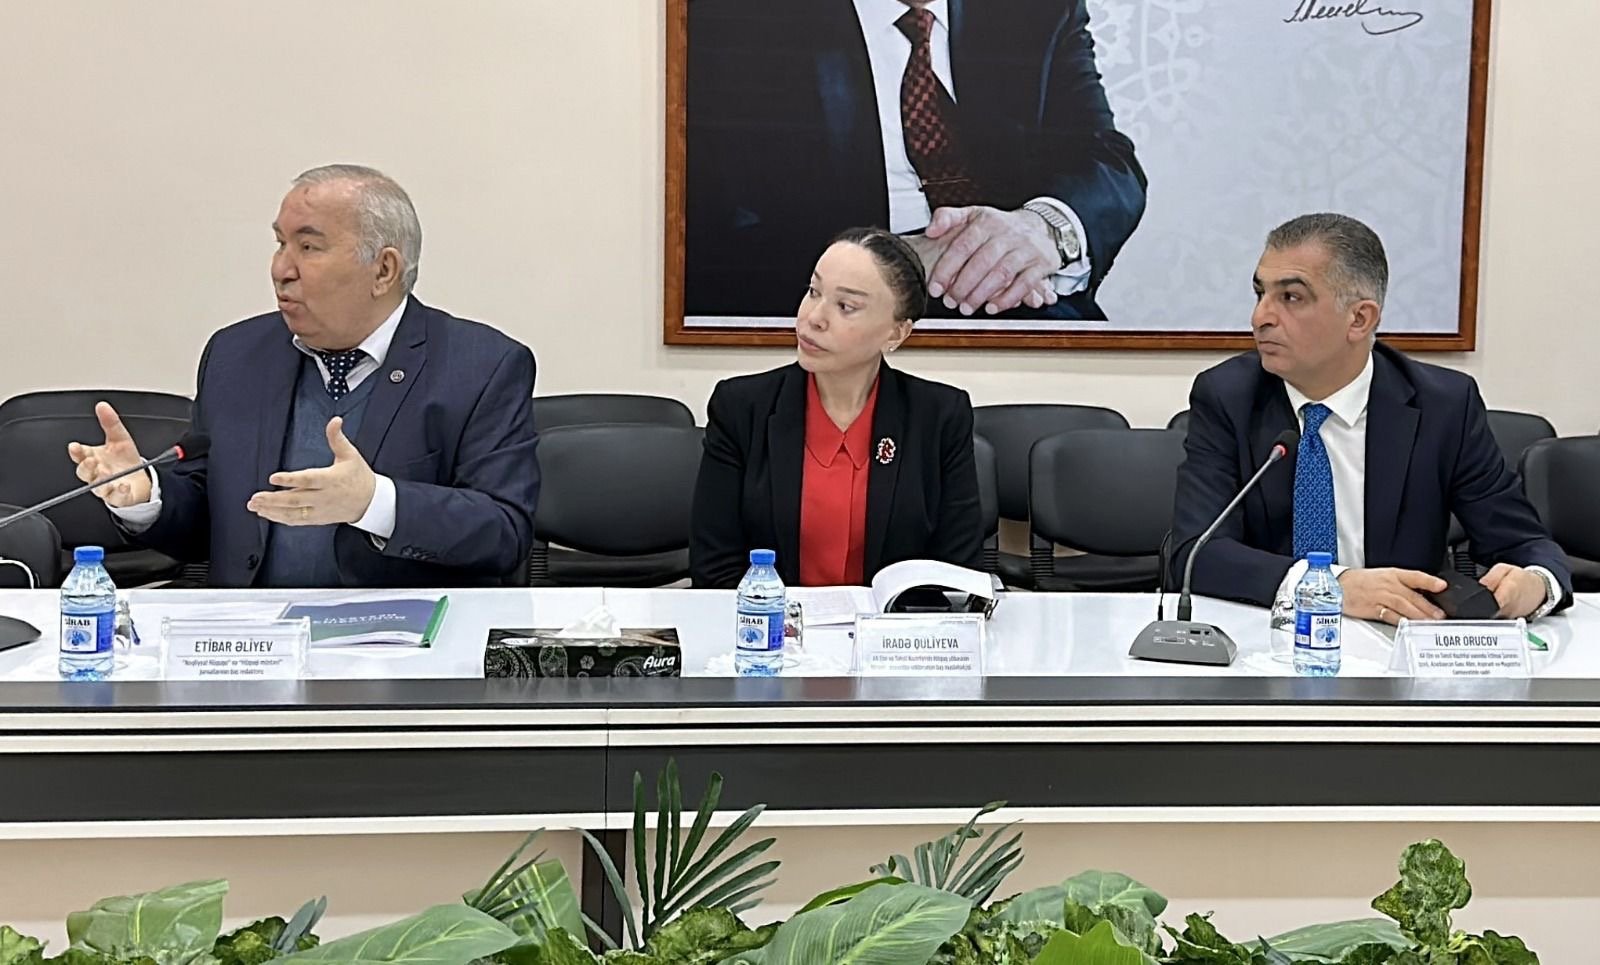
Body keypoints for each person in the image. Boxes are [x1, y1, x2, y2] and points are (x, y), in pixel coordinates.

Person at [67, 165, 539, 588]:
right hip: (255, 641)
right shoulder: (235, 356)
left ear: (383, 270)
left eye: (308, 247)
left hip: (401, 641)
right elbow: (211, 520)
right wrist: (147, 495)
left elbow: (504, 532)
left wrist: (374, 502)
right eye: (280, 243)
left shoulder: (480, 366)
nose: (280, 269)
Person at [1170, 213, 1571, 623]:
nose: (1260, 317)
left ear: (1359, 319)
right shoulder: (1228, 397)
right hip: (1267, 635)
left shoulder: (1444, 406)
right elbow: (1195, 553)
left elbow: (1524, 543)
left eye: (1290, 297)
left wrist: (1535, 584)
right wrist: (1331, 586)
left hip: (1398, 639)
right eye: (1260, 293)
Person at [686, 0, 1146, 323]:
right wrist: (894, 263)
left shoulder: (1036, 11)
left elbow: (1107, 161)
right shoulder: (737, 19)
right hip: (830, 327)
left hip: (1023, 310)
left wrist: (1042, 230)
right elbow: (717, 225)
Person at [690, 226, 983, 588]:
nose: (814, 317)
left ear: (896, 333)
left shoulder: (940, 416)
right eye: (814, 292)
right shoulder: (741, 408)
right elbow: (714, 570)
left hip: (894, 624)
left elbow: (957, 574)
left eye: (846, 306)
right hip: (771, 622)